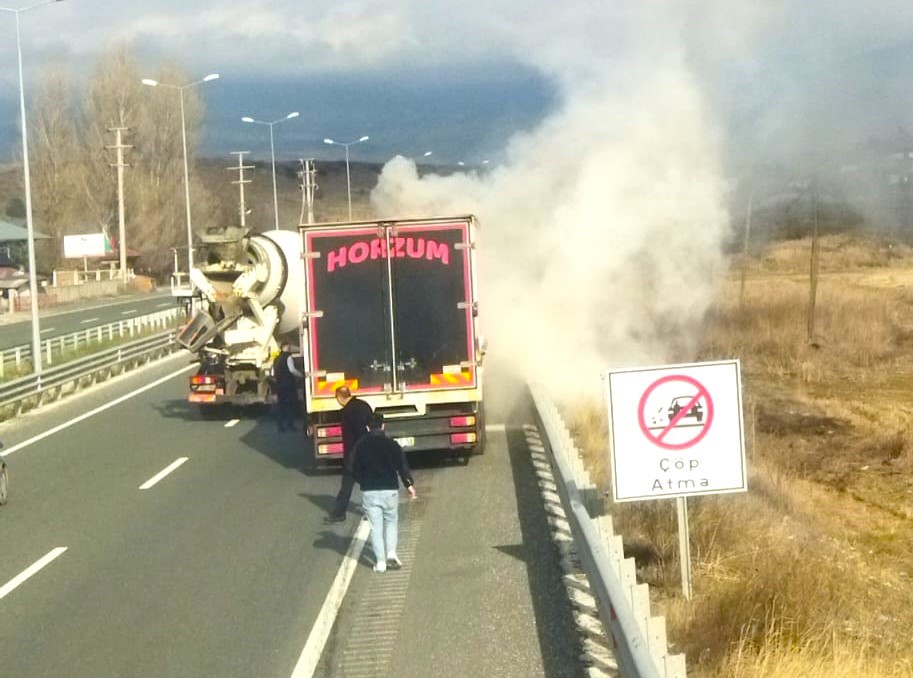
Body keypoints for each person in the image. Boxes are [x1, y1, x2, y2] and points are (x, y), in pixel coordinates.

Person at [351, 412, 416, 572]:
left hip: (370, 491)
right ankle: (391, 554)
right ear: (383, 425)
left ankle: (380, 563)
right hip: (390, 490)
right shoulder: (392, 445)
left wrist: (363, 481)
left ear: (367, 427)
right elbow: (402, 466)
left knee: (375, 528)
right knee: (391, 522)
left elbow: (352, 468)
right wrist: (408, 484)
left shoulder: (360, 445)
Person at [325, 385, 373, 522]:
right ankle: (370, 511)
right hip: (367, 449)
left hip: (352, 453)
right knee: (369, 483)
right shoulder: (364, 405)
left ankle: (339, 513)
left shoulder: (347, 412)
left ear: (340, 397)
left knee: (346, 484)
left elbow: (353, 434)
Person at [273, 342, 304, 432]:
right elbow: (292, 370)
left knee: (281, 405)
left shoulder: (276, 359)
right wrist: (301, 375)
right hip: (289, 384)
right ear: (284, 347)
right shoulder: (288, 357)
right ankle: (290, 424)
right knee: (292, 404)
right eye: (288, 347)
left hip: (279, 384)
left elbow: (275, 371)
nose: (289, 348)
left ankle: (280, 426)